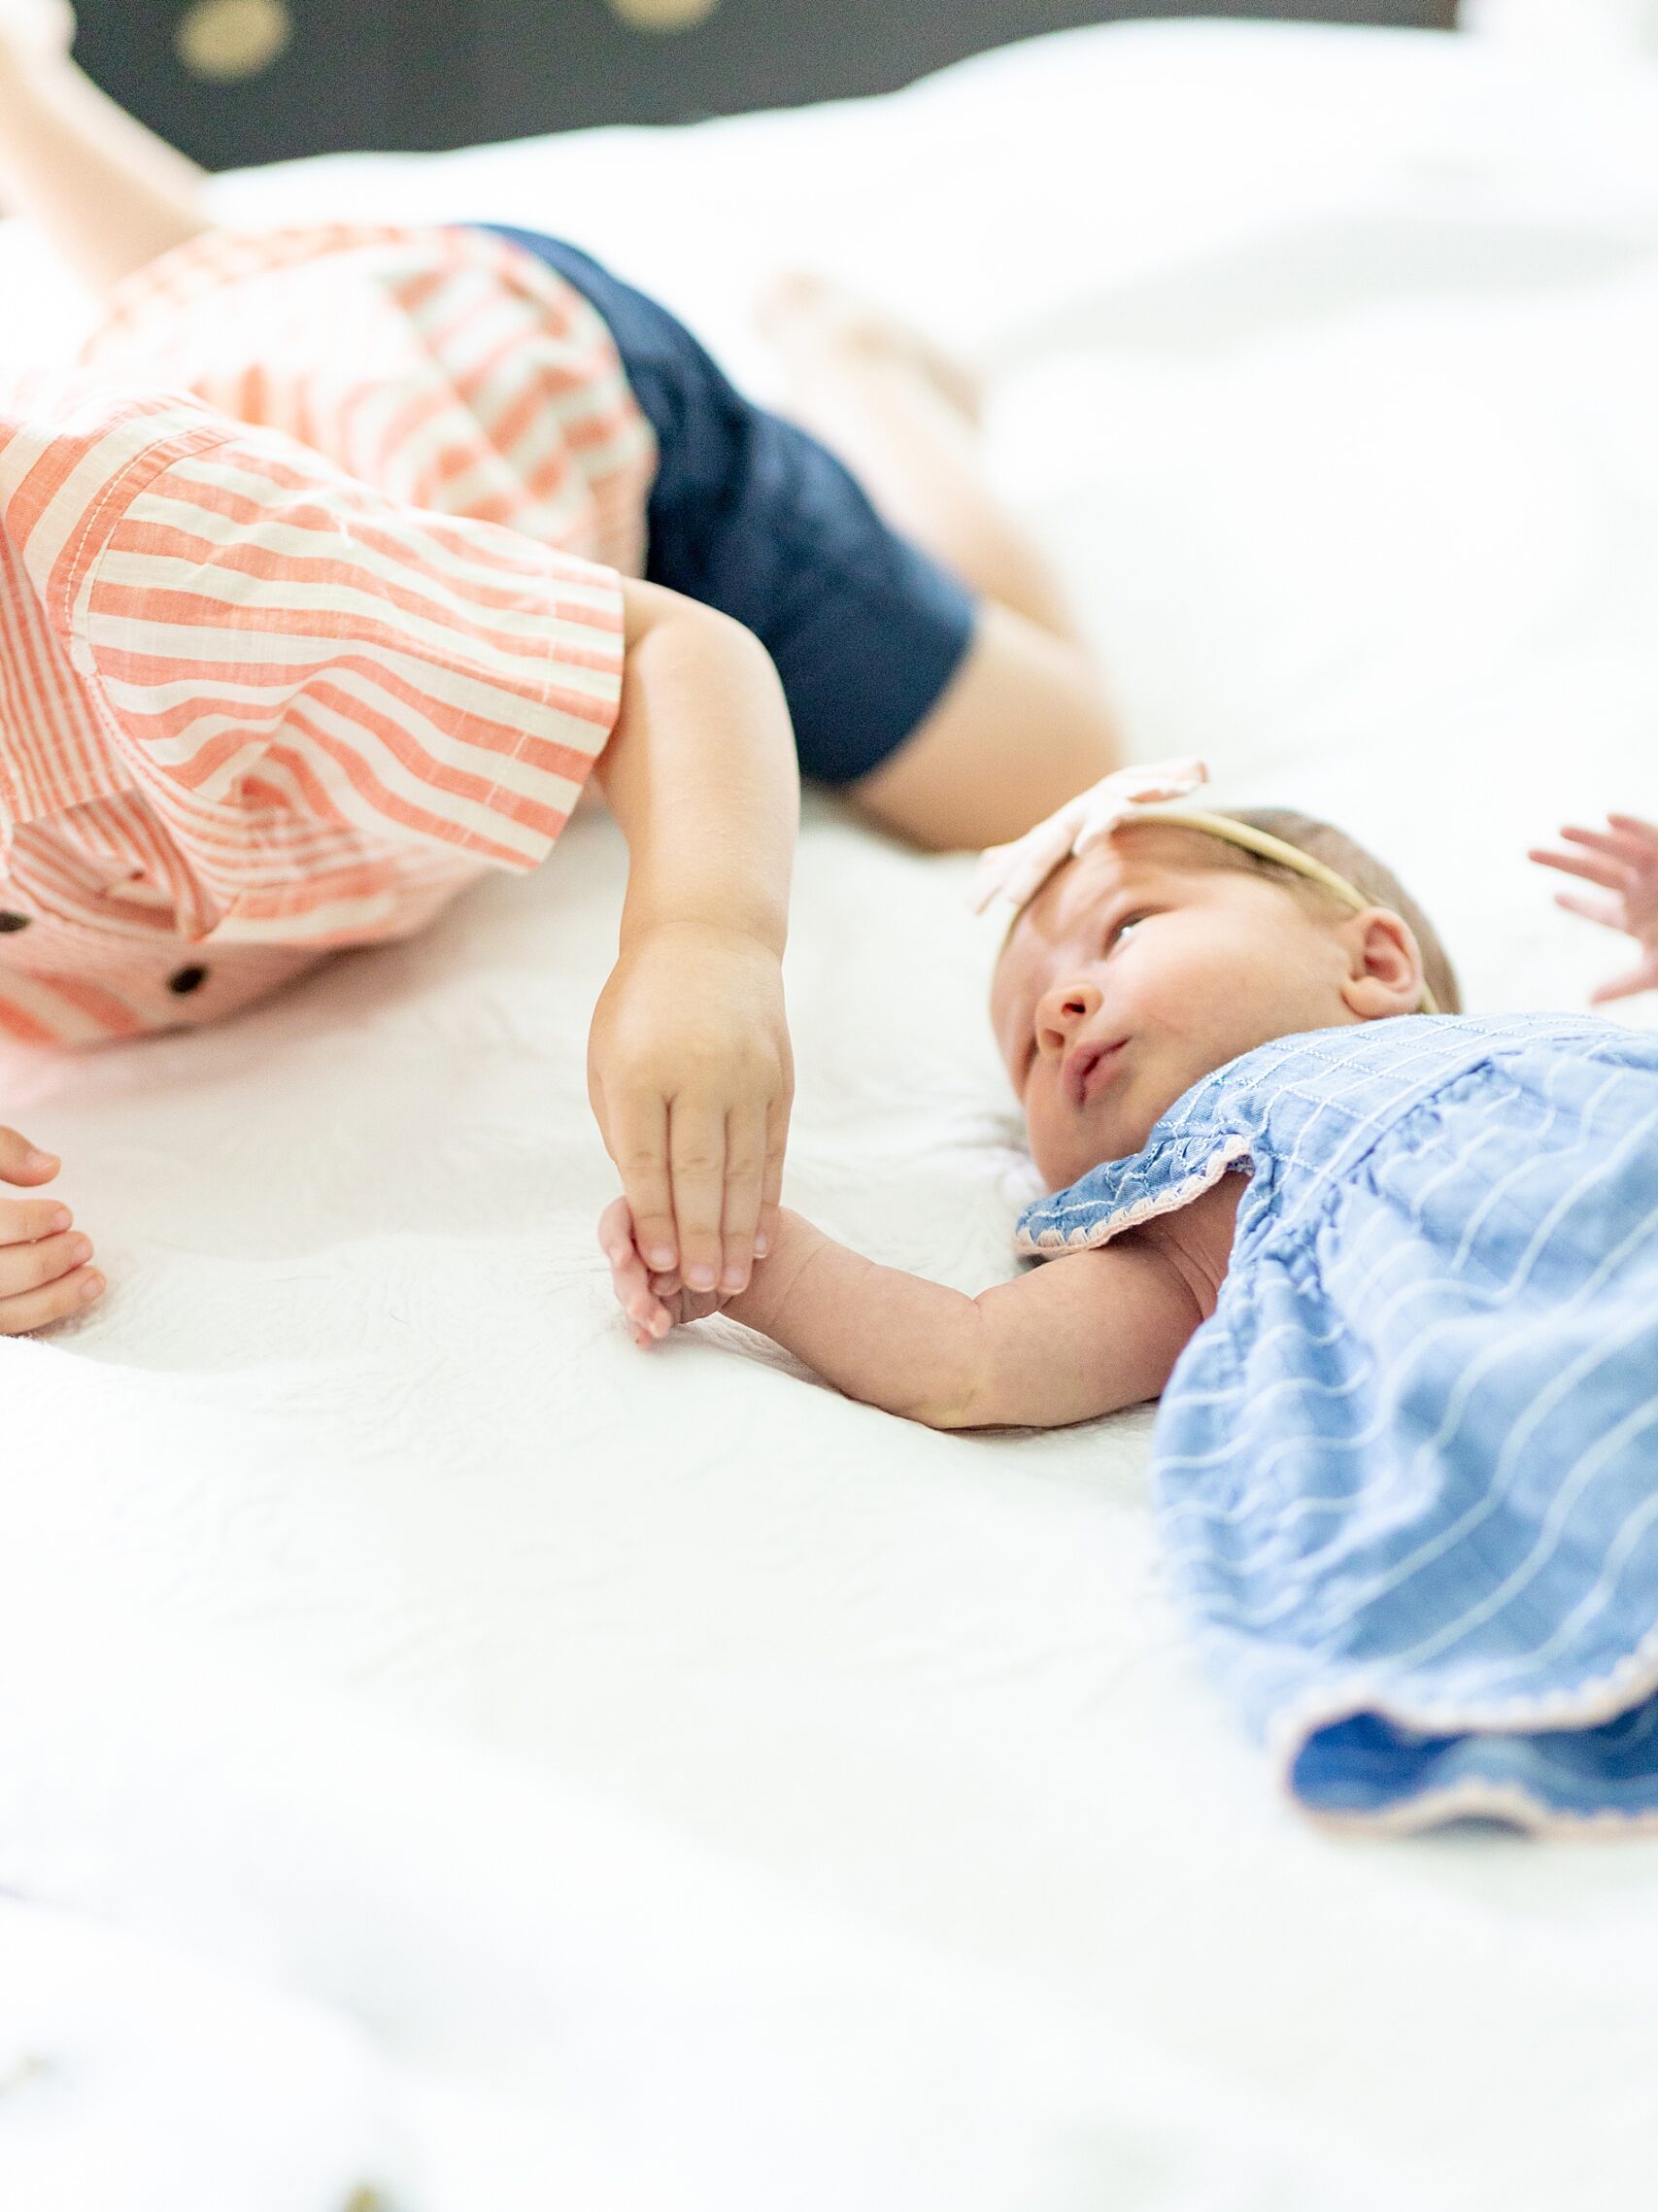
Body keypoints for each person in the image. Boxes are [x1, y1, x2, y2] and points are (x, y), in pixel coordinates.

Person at [0, 0, 1120, 1334]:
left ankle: (851, 362)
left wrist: (701, 938)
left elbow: (674, 655)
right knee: (238, 337)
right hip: (276, 418)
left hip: (553, 398)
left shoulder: (140, 559)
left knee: (1051, 769)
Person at [606, 762, 1658, 1832]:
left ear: (1374, 962)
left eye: (1125, 931)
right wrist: (758, 1257)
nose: (1060, 1011)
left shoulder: (1548, 1046)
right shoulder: (1202, 1219)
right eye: (1023, 1049)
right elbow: (970, 1358)